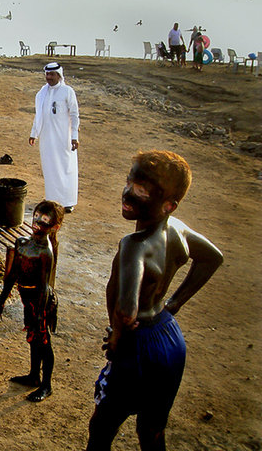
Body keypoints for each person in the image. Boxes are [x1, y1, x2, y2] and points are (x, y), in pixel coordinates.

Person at [86, 150, 223, 450]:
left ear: (168, 205)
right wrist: (173, 304)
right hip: (169, 338)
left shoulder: (134, 245)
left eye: (142, 190)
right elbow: (212, 257)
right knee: (152, 430)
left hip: (138, 347)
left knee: (101, 427)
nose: (128, 193)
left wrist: (117, 337)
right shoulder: (178, 230)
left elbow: (126, 309)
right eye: (129, 182)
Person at [0, 200, 64, 402]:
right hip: (27, 299)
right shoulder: (22, 243)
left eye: (45, 220)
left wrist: (40, 315)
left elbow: (43, 287)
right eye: (37, 216)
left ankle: (46, 385)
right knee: (33, 339)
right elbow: (12, 275)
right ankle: (34, 375)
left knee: (43, 340)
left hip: (41, 301)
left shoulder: (45, 252)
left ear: (54, 227)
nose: (38, 222)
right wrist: (1, 303)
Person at [29, 63, 80, 213]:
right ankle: (52, 199)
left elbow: (74, 115)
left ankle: (67, 202)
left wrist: (74, 136)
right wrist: (34, 133)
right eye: (47, 74)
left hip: (64, 137)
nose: (49, 77)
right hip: (46, 138)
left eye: (52, 75)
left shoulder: (67, 91)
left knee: (66, 168)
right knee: (50, 168)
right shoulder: (42, 93)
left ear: (59, 75)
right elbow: (38, 115)